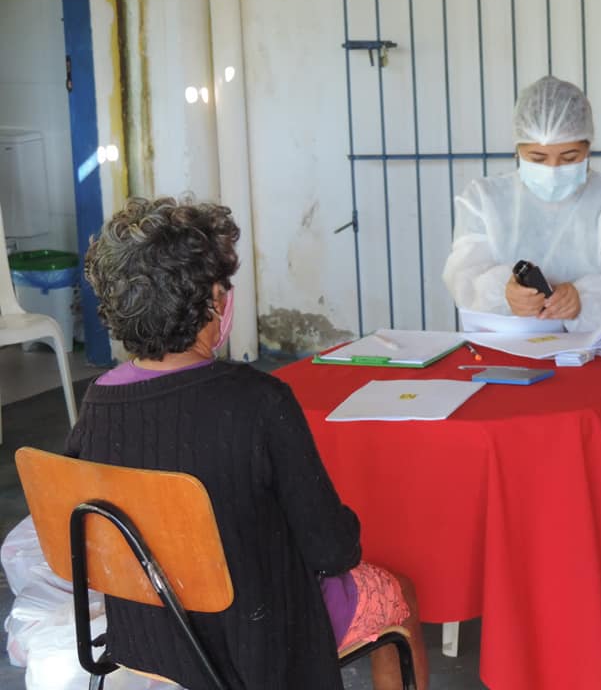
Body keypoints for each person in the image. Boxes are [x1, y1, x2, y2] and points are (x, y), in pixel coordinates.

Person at [66, 197, 428, 690]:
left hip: (144, 632)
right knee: (396, 591)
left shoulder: (95, 405)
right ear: (213, 302)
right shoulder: (261, 401)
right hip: (259, 643)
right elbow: (333, 550)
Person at [442, 75, 601, 348]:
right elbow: (465, 283)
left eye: (570, 157)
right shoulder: (484, 201)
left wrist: (585, 302)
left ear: (589, 149)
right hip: (509, 358)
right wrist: (505, 294)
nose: (552, 169)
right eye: (537, 158)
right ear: (517, 151)